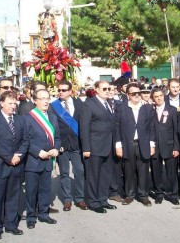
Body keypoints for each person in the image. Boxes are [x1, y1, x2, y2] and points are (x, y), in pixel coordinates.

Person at [0, 91, 28, 240]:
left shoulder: (20, 120)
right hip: (1, 164)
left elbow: (26, 140)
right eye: (10, 103)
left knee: (13, 195)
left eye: (15, 103)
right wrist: (8, 157)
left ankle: (11, 224)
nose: (13, 106)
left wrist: (19, 155)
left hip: (16, 163)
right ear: (2, 104)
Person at [23, 89, 61, 228]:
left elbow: (57, 137)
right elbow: (25, 140)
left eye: (47, 98)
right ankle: (31, 217)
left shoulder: (53, 117)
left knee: (45, 189)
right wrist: (37, 152)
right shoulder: (28, 118)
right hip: (34, 160)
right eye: (42, 98)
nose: (46, 101)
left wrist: (56, 148)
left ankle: (44, 214)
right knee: (32, 190)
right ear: (35, 100)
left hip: (48, 159)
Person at [48, 80, 87, 211]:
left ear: (70, 91)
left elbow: (83, 123)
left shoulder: (79, 103)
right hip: (62, 145)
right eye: (59, 90)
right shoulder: (53, 106)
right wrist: (56, 145)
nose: (61, 92)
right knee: (64, 173)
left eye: (64, 90)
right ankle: (67, 199)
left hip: (76, 144)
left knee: (79, 172)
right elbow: (52, 126)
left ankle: (80, 198)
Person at [115, 83, 156, 207]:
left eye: (138, 93)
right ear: (128, 95)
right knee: (128, 171)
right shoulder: (121, 108)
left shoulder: (147, 108)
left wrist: (152, 145)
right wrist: (118, 146)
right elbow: (116, 128)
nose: (137, 96)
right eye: (133, 94)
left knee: (143, 171)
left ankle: (143, 195)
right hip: (128, 144)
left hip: (143, 144)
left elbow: (152, 128)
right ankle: (130, 195)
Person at [80, 81, 115, 213]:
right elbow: (84, 127)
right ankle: (93, 202)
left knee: (105, 175)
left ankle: (102, 199)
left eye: (109, 88)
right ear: (96, 90)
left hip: (108, 146)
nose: (107, 90)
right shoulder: (89, 104)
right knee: (93, 176)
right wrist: (86, 148)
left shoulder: (109, 103)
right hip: (94, 147)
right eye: (104, 88)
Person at [150, 87, 180, 205]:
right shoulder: (150, 110)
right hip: (155, 146)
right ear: (153, 98)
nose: (158, 98)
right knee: (156, 172)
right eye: (156, 96)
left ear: (164, 96)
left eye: (160, 96)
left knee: (171, 172)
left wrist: (176, 147)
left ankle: (173, 194)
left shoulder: (172, 110)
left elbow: (176, 130)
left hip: (169, 145)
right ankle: (159, 193)